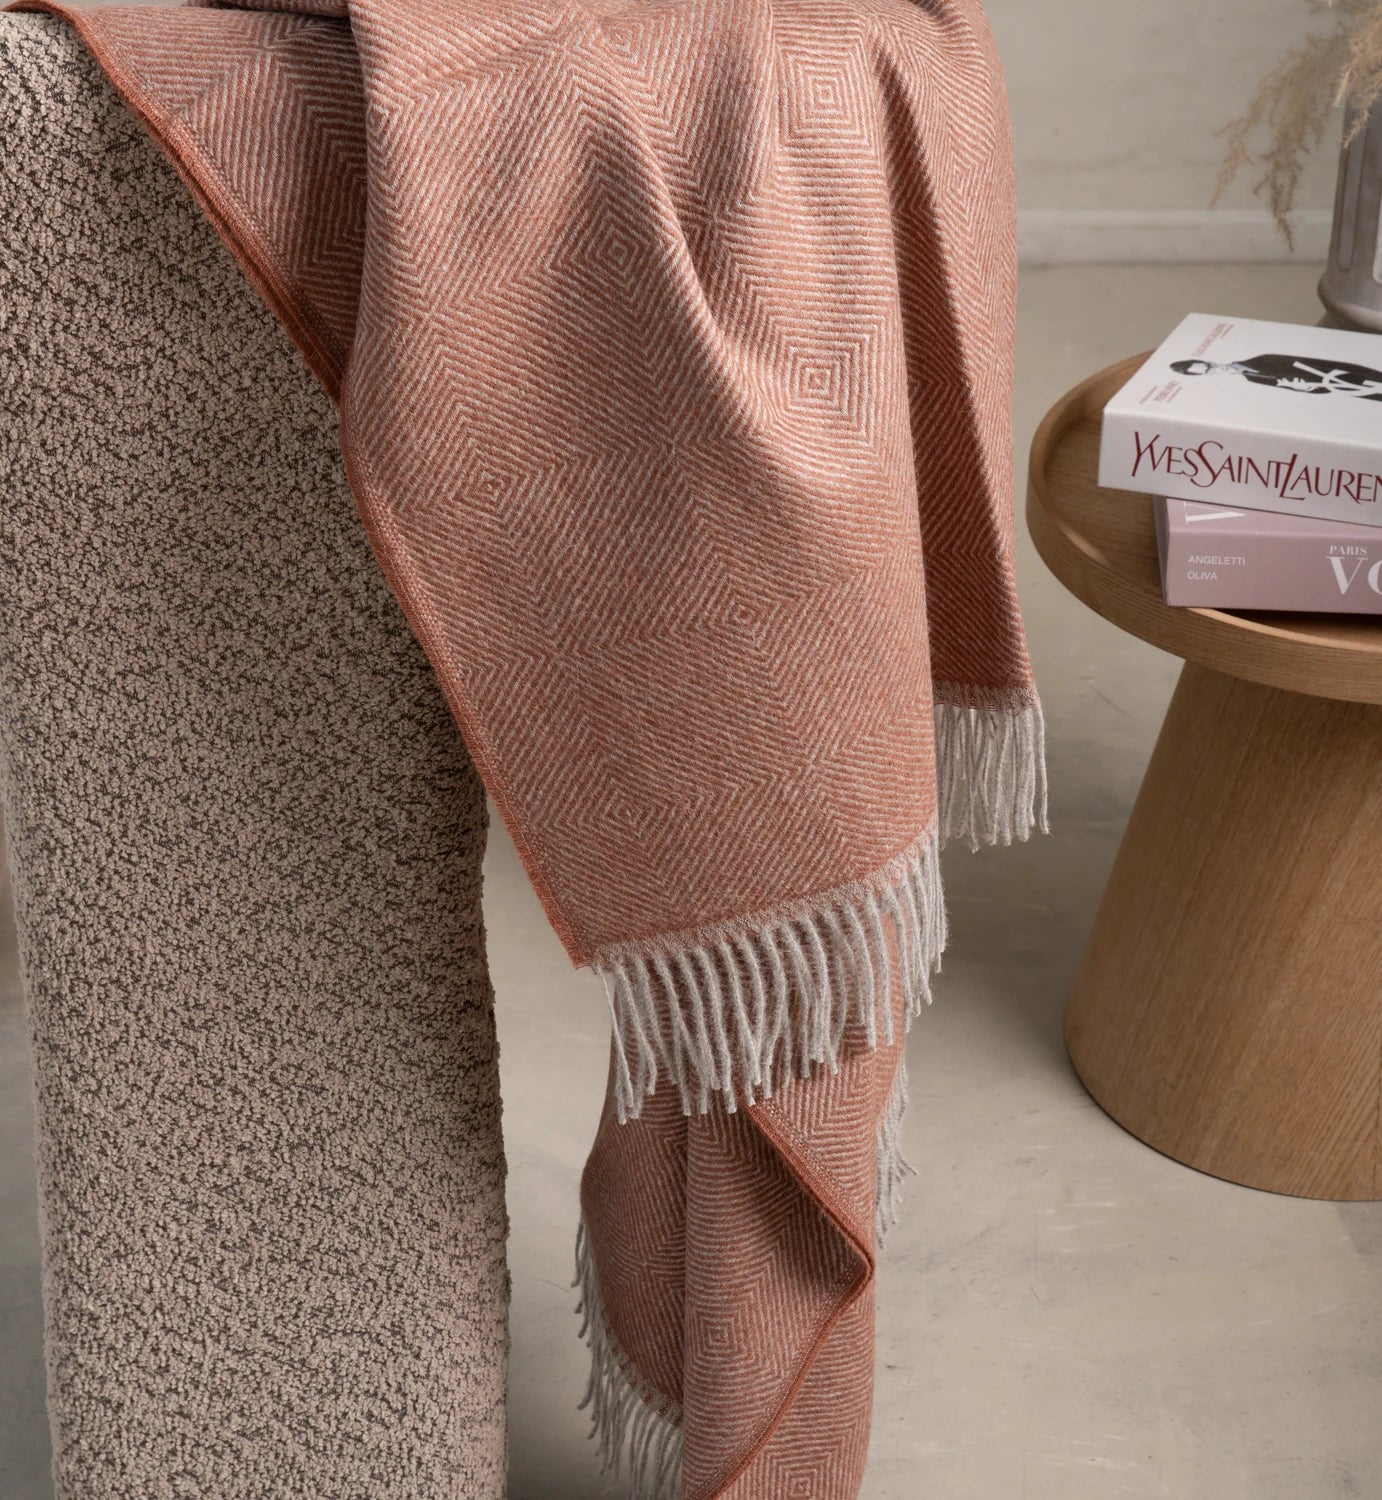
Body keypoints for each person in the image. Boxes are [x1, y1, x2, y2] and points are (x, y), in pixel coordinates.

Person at [1170, 353, 1382, 399]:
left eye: (1208, 365)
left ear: (1210, 360)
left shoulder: (1263, 359)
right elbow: (1293, 389)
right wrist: (1306, 388)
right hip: (1336, 387)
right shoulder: (1253, 380)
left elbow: (1315, 363)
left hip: (1339, 374)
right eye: (1208, 372)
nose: (1217, 369)